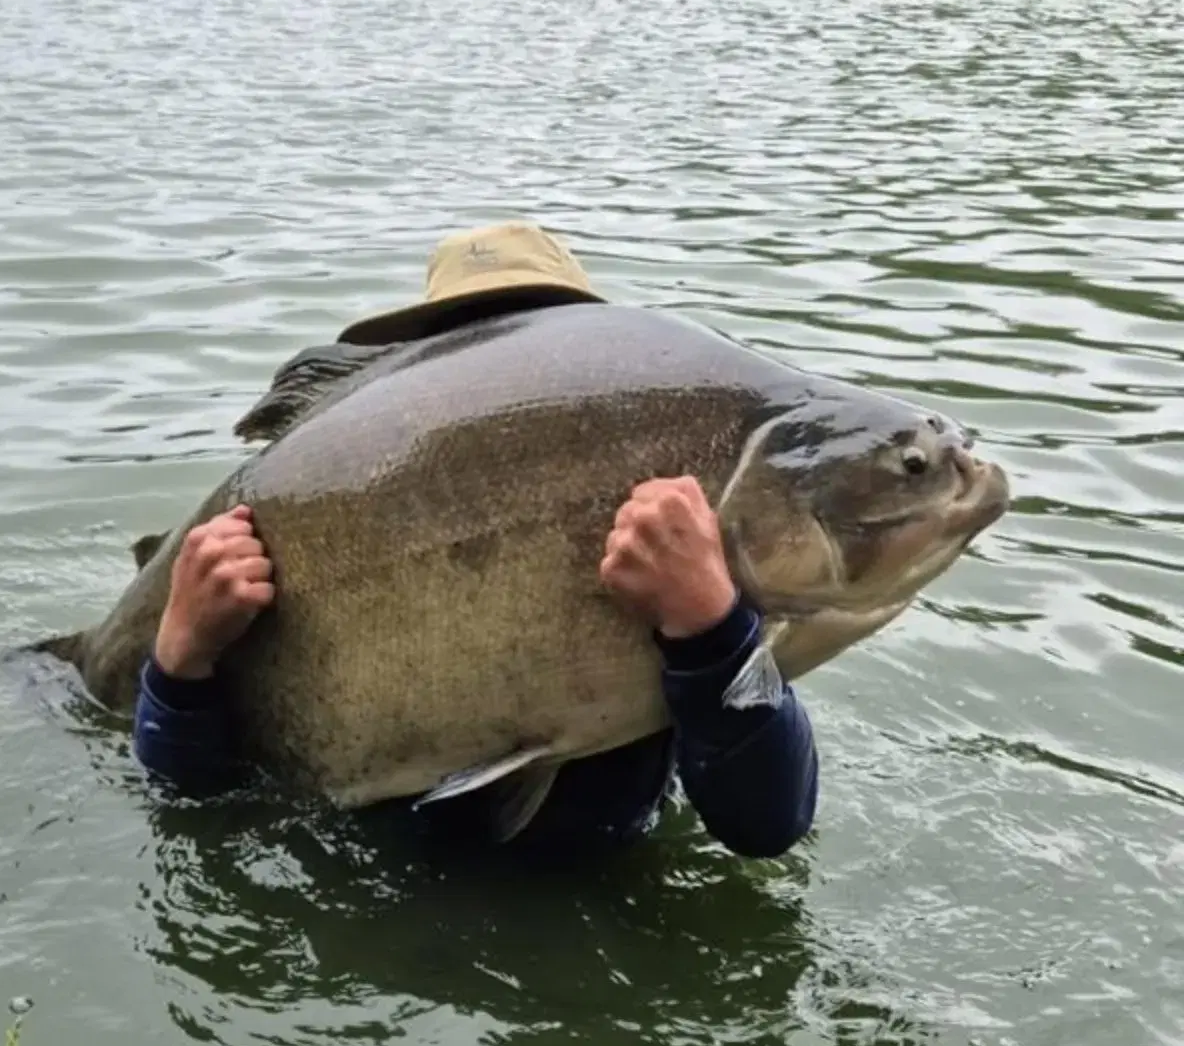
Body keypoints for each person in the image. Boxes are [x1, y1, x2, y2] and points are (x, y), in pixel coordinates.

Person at [132, 224, 818, 862]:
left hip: (589, 895)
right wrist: (179, 662)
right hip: (376, 893)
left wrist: (709, 630)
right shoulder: (319, 515)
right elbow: (187, 805)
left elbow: (768, 826)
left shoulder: (673, 535)